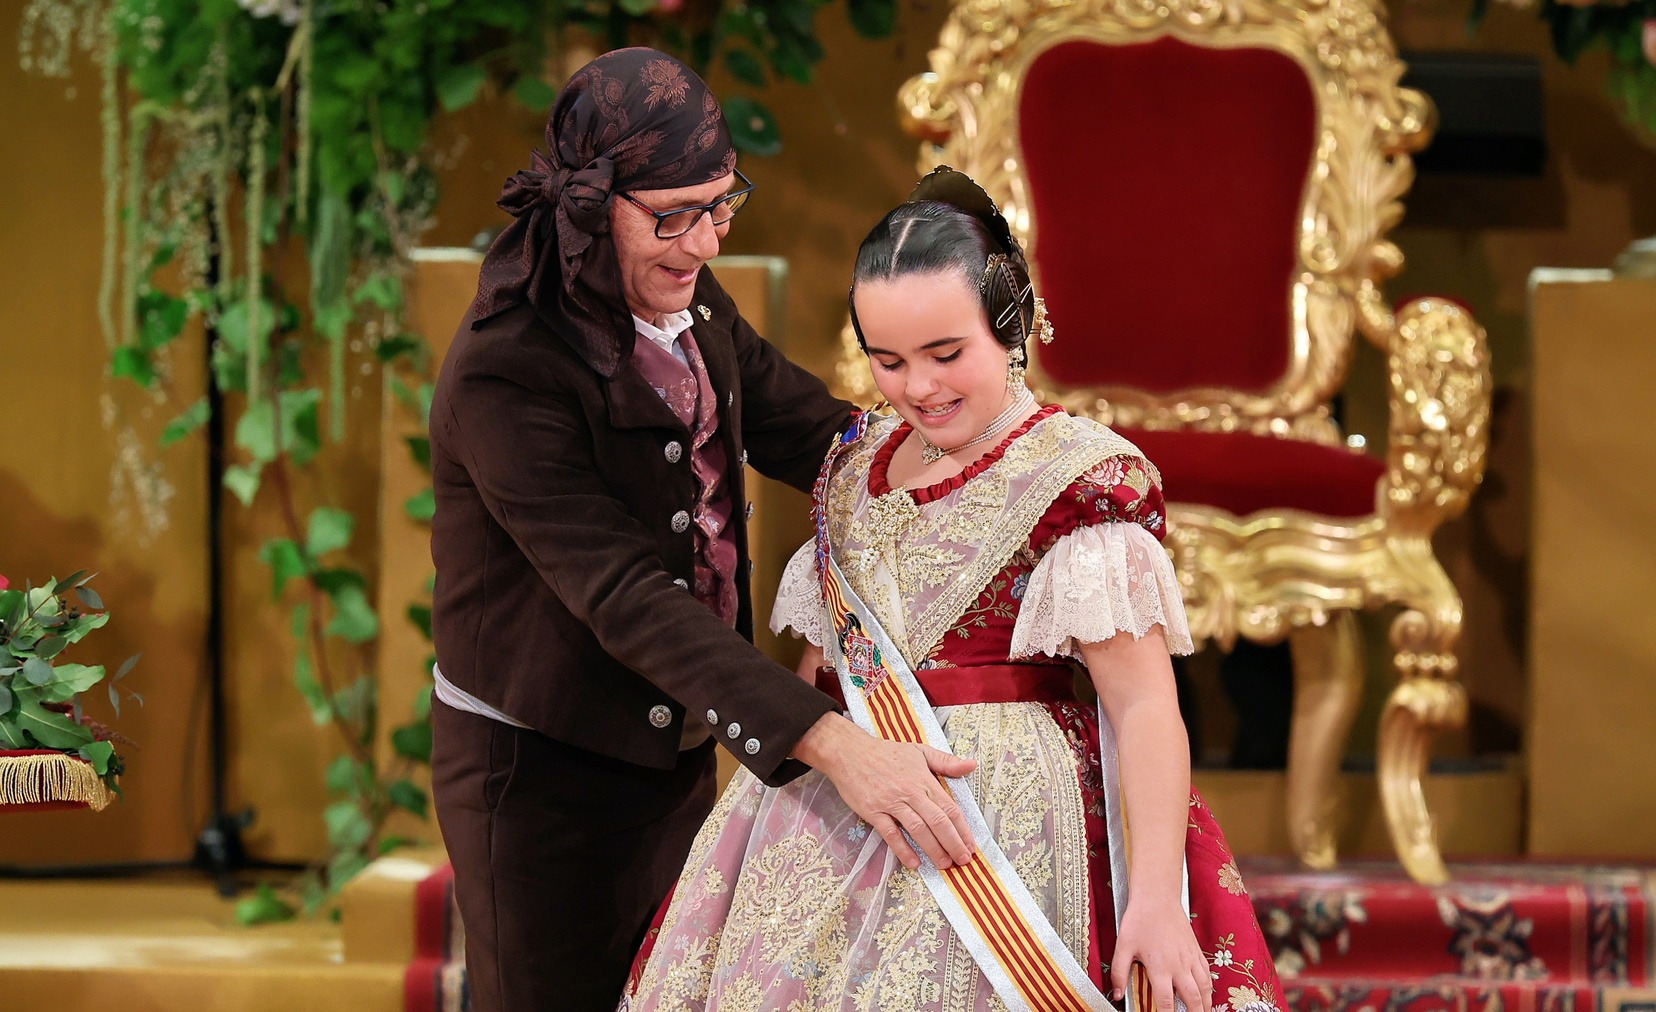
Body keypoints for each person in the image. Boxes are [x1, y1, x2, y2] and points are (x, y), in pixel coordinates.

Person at [622, 169, 1283, 1011]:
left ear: (1011, 325)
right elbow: (822, 674)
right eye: (888, 361)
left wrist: (1155, 899)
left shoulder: (1077, 477)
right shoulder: (851, 468)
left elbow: (1145, 704)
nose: (920, 388)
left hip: (1008, 838)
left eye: (946, 355)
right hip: (829, 819)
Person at [428, 51, 981, 1012]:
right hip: (539, 775)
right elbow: (624, 595)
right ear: (593, 205)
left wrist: (984, 468)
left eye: (722, 205)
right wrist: (838, 746)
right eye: (674, 216)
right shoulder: (506, 367)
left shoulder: (689, 295)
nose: (706, 242)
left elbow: (811, 432)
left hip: (673, 742)